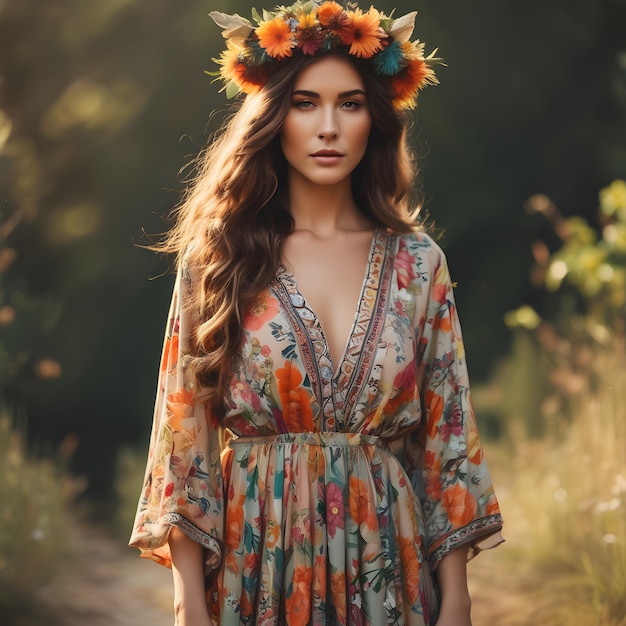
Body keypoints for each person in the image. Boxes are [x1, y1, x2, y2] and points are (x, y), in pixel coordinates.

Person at [129, 2, 504, 625]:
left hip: (389, 563)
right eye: (305, 103)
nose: (328, 126)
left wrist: (457, 597)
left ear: (374, 121)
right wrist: (188, 601)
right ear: (274, 117)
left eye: (350, 104)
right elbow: (183, 440)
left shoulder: (418, 263)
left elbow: (447, 440)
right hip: (256, 566)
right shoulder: (219, 256)